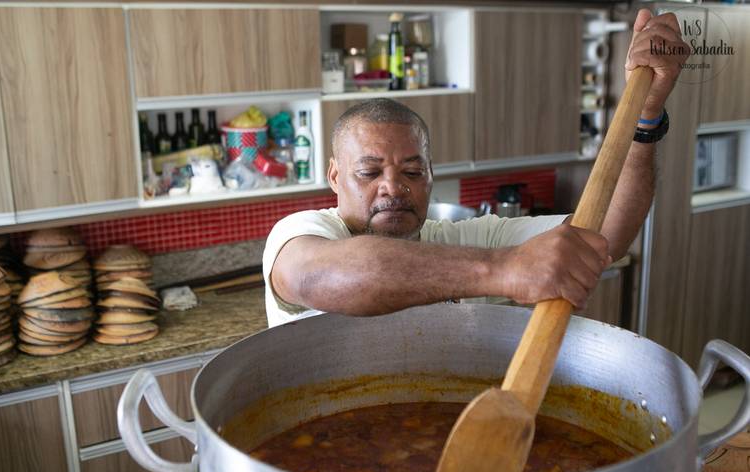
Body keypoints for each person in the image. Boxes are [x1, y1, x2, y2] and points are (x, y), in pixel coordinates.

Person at [263, 9, 690, 328]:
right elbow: (326, 274)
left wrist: (646, 117)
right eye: (369, 173)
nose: (393, 187)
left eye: (412, 172)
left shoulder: (471, 239)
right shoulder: (303, 232)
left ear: (432, 175)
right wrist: (504, 270)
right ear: (335, 176)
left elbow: (604, 236)